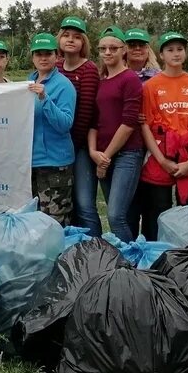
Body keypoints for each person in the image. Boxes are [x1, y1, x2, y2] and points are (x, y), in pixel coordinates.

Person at [139, 32, 188, 240]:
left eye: (180, 49)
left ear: (186, 53)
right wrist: (161, 160)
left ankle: (184, 259)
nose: (176, 54)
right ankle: (154, 258)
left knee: (187, 213)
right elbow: (146, 126)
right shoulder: (150, 86)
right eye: (170, 50)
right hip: (160, 157)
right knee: (157, 213)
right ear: (161, 55)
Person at [87, 26, 144, 242]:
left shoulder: (130, 79)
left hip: (126, 154)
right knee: (119, 215)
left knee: (115, 214)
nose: (107, 53)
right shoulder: (102, 82)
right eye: (103, 49)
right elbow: (94, 121)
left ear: (123, 50)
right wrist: (94, 152)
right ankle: (122, 262)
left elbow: (129, 124)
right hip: (102, 154)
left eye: (113, 48)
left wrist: (105, 158)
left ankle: (132, 264)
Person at [56, 15, 101, 235]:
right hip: (57, 146)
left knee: (84, 203)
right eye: (66, 36)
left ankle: (97, 248)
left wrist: (71, 146)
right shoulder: (54, 67)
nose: (70, 40)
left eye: (76, 37)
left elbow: (85, 113)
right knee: (66, 201)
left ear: (83, 42)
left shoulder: (89, 69)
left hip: (79, 145)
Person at [26, 32, 77, 225]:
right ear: (32, 57)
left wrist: (45, 99)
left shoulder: (64, 85)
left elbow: (64, 124)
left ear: (56, 56)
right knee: (34, 221)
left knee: (55, 222)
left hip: (55, 164)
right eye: (38, 54)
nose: (43, 58)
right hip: (31, 163)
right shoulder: (29, 81)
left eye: (48, 53)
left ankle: (61, 256)